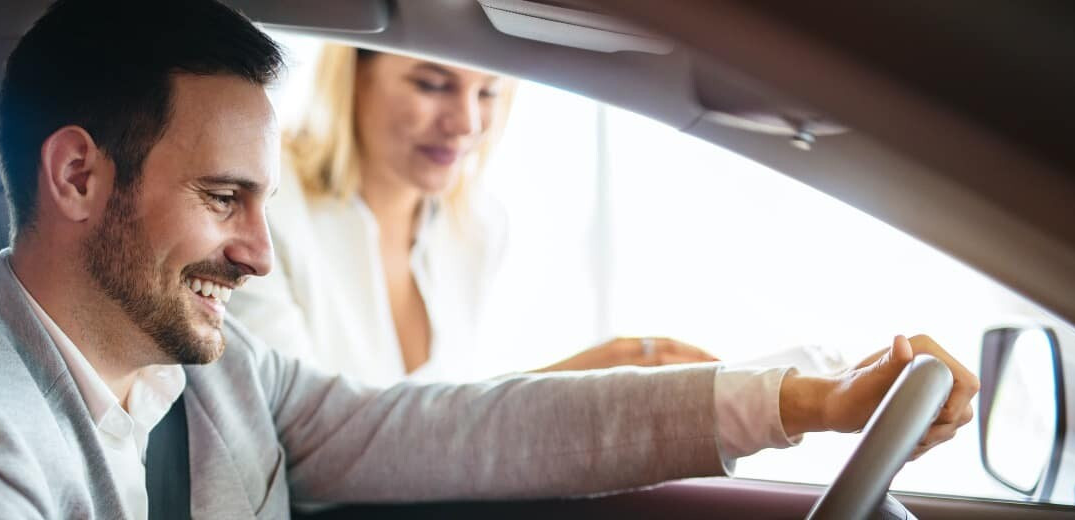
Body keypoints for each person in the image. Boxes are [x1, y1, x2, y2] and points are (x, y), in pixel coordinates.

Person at [0, 1, 979, 518]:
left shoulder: (217, 376)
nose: (261, 253)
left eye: (262, 202)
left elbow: (464, 429)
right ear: (78, 178)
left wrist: (798, 400)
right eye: (224, 199)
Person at [229, 45, 716, 386]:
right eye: (433, 84)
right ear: (354, 74)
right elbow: (311, 443)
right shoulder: (267, 209)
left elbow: (427, 437)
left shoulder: (476, 228)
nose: (466, 123)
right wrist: (554, 394)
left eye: (488, 92)